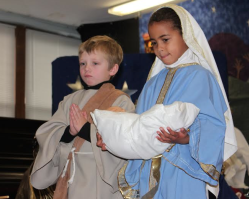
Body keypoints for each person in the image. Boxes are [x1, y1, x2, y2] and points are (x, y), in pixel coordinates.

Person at [97, 4, 237, 199]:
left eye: (165, 39)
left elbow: (213, 126)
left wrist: (186, 138)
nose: (159, 48)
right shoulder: (152, 83)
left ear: (185, 35)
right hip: (150, 177)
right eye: (154, 43)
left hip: (184, 173)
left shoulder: (200, 77)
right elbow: (139, 126)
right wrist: (113, 137)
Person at [30, 35, 135, 199]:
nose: (87, 68)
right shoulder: (70, 100)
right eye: (83, 63)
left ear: (113, 69)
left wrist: (84, 128)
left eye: (95, 63)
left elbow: (121, 140)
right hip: (70, 177)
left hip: (98, 181)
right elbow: (49, 132)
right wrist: (69, 132)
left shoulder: (121, 101)